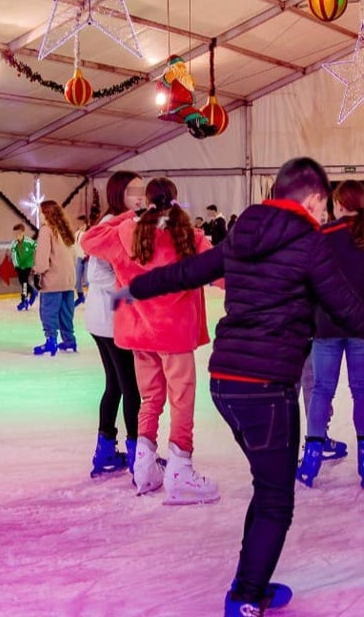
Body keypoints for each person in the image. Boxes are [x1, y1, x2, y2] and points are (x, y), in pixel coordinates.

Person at [112, 157, 364, 615]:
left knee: (267, 488)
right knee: (277, 501)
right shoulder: (308, 243)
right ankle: (245, 598)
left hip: (227, 382)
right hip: (265, 388)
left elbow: (191, 271)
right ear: (314, 198)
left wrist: (138, 290)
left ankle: (251, 584)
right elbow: (350, 309)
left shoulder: (246, 233)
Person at [82, 177, 218, 505]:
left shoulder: (126, 232)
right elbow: (222, 270)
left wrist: (129, 216)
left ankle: (144, 465)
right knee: (181, 398)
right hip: (175, 333)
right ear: (174, 200)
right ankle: (180, 467)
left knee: (150, 398)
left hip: (142, 333)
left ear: (146, 200)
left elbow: (89, 240)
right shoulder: (190, 236)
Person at [297, 181, 364, 489]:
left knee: (322, 390)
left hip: (326, 327)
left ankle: (311, 460)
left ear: (337, 205)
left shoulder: (322, 238)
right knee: (363, 390)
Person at [80, 171, 144, 478]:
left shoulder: (126, 223)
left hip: (105, 318)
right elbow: (97, 275)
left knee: (116, 386)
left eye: (142, 190)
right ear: (119, 194)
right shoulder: (111, 225)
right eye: (133, 191)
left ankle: (105, 452)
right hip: (110, 321)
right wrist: (132, 292)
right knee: (131, 387)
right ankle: (136, 455)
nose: (140, 196)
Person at [31, 200, 78, 356]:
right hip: (68, 280)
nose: (39, 215)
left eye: (40, 212)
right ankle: (69, 340)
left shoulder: (46, 230)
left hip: (53, 280)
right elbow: (74, 255)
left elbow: (42, 257)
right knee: (66, 312)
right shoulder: (65, 231)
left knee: (49, 311)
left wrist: (37, 272)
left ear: (46, 214)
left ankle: (51, 341)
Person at [11, 224, 37, 311]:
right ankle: (33, 292)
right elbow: (14, 255)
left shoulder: (29, 241)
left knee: (24, 282)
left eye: (18, 233)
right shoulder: (14, 244)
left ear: (22, 232)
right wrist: (16, 266)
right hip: (19, 267)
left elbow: (37, 247)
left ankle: (24, 300)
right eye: (15, 234)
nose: (16, 235)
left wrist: (35, 262)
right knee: (22, 282)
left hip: (28, 265)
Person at [73, 214, 89, 307]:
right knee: (77, 280)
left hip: (87, 259)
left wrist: (87, 256)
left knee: (87, 280)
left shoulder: (88, 233)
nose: (80, 225)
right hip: (79, 258)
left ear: (85, 224)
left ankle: (91, 297)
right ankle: (80, 296)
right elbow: (74, 246)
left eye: (82, 224)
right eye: (79, 224)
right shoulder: (76, 234)